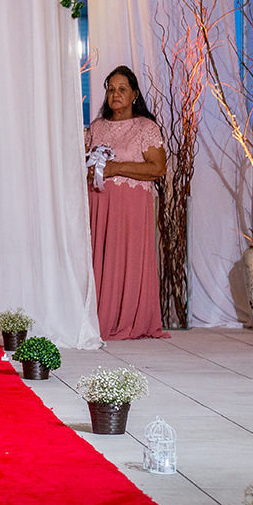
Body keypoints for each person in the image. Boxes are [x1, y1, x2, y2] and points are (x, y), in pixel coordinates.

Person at [85, 65, 167, 341]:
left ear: (133, 94)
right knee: (101, 260)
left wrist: (115, 168)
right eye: (110, 89)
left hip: (131, 209)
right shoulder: (96, 128)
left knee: (128, 260)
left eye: (121, 89)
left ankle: (131, 317)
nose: (115, 94)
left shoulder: (146, 127)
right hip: (99, 207)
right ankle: (98, 316)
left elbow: (157, 168)